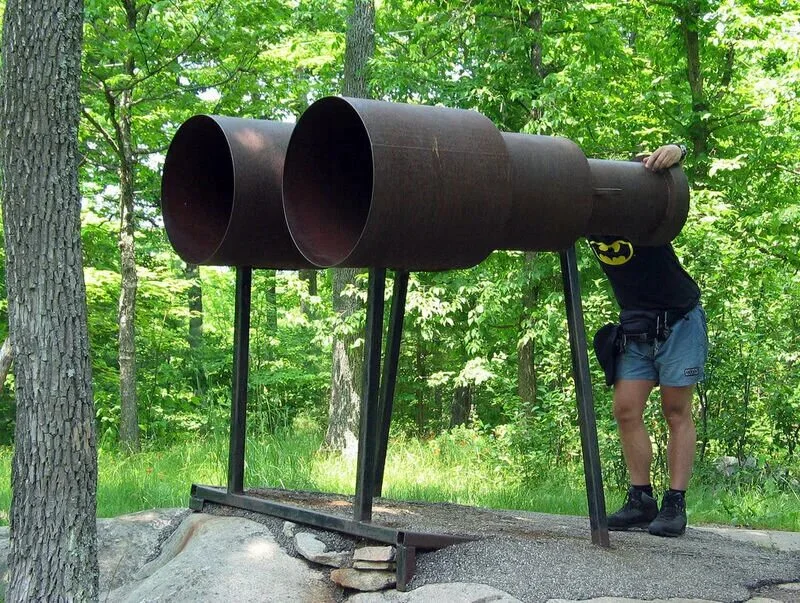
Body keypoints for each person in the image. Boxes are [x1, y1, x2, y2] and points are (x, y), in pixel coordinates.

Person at [588, 143, 708, 537]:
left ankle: (675, 503)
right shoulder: (581, 217)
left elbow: (661, 170)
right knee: (625, 409)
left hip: (678, 319)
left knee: (675, 410)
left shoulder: (637, 202)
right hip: (636, 326)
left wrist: (677, 150)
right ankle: (641, 500)